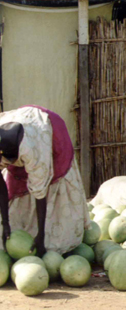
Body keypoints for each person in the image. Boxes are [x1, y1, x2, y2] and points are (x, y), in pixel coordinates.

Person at [0, 106, 90, 256]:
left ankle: (49, 240)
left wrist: (41, 235)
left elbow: (40, 192)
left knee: (53, 232)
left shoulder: (34, 150)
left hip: (51, 134)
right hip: (22, 122)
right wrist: (6, 223)